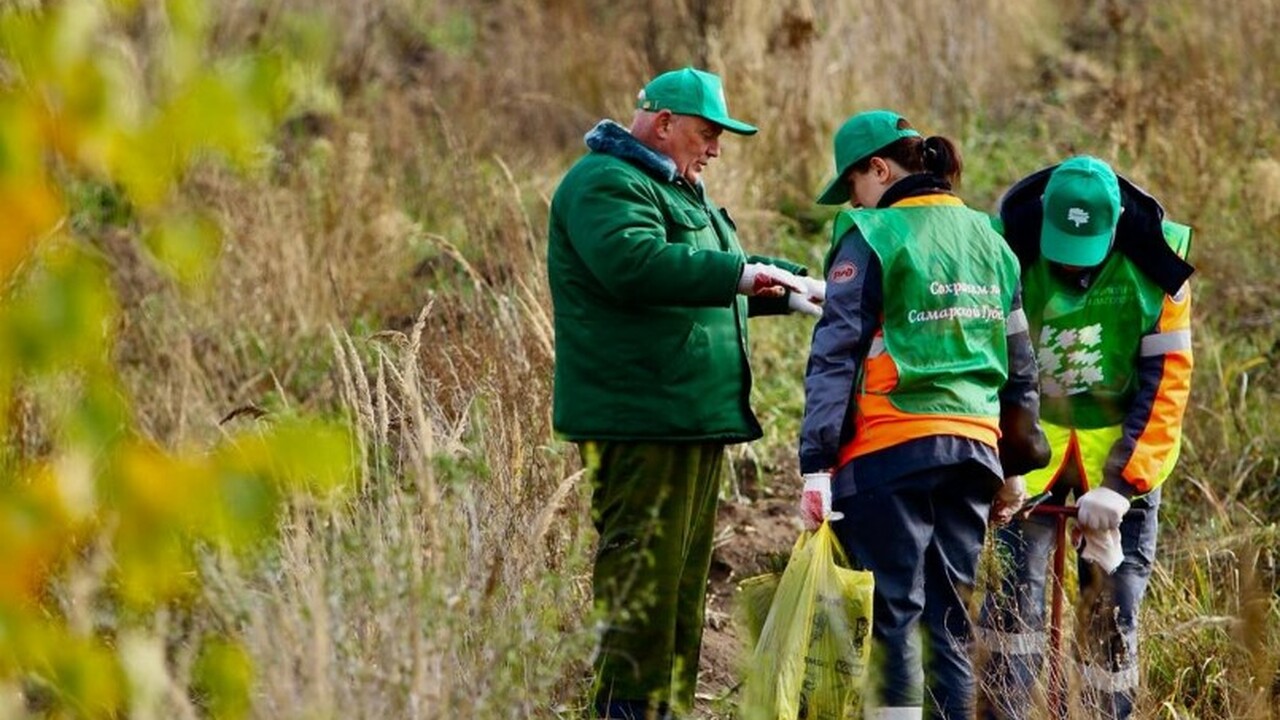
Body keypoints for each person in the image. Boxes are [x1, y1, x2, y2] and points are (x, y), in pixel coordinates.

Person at [546, 67, 824, 720]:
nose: (716, 148)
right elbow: (636, 265)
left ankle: (663, 709)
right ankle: (622, 710)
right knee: (640, 588)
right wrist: (741, 273)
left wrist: (795, 288)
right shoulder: (605, 183)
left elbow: (709, 289)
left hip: (690, 420)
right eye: (707, 133)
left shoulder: (680, 191)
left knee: (678, 596)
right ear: (664, 122)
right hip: (642, 419)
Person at [797, 109, 1050, 720]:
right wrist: (1013, 465)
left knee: (892, 615)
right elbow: (1020, 364)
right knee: (950, 621)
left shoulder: (872, 233)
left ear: (879, 169)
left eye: (854, 185)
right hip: (973, 452)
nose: (854, 200)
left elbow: (835, 354)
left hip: (892, 448)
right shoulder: (991, 239)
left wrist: (816, 464)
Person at [976, 156, 1195, 720]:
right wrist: (1006, 462)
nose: (1074, 272)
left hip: (1120, 455)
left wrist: (1123, 484)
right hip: (1028, 454)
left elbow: (1166, 383)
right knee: (1011, 608)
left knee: (1112, 610)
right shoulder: (1004, 248)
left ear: (1117, 224)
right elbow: (989, 365)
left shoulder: (1159, 261)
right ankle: (1004, 713)